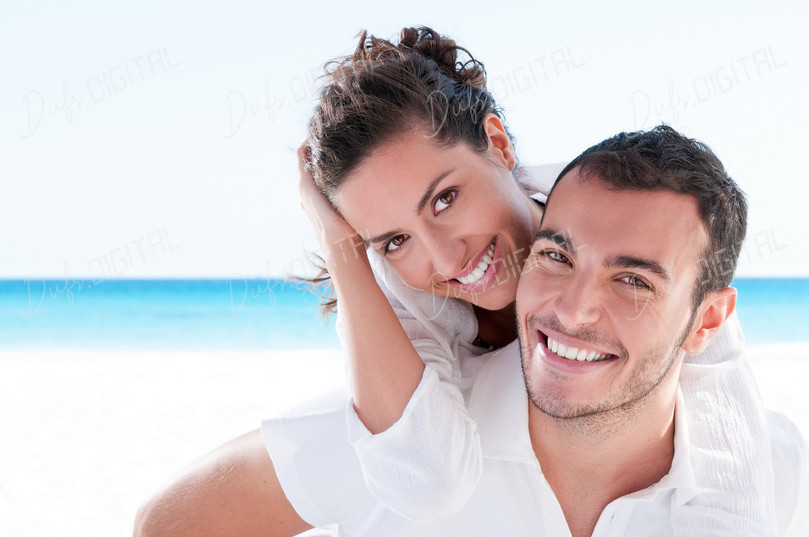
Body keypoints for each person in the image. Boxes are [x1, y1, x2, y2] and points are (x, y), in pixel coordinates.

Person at [133, 29, 779, 535]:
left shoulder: (606, 213)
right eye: (391, 239)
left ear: (497, 144)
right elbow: (426, 482)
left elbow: (721, 415)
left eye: (444, 199)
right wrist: (343, 247)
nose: (443, 259)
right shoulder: (404, 294)